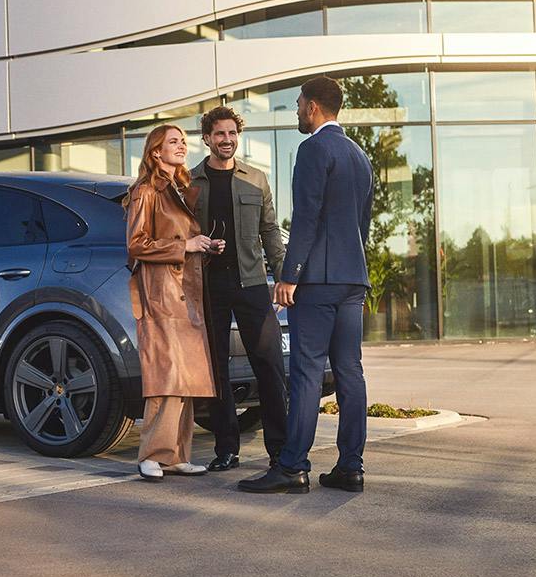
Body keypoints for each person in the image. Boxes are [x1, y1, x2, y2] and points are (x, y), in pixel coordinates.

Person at [237, 76, 373, 495]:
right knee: (350, 371)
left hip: (317, 281)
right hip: (352, 278)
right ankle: (350, 467)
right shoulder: (359, 155)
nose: (297, 111)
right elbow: (362, 224)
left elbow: (307, 216)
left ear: (313, 107)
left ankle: (293, 466)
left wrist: (289, 275)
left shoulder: (313, 149)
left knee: (306, 372)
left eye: (298, 104)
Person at [185, 105, 288, 472]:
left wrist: (283, 276)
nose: (226, 139)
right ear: (207, 138)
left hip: (252, 283)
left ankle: (280, 450)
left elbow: (270, 231)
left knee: (269, 364)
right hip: (209, 285)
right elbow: (180, 232)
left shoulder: (256, 179)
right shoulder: (190, 182)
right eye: (219, 134)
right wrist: (200, 245)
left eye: (231, 133)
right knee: (217, 369)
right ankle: (226, 449)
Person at [125, 125, 219, 481]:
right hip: (161, 292)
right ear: (156, 152)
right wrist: (185, 246)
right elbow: (136, 244)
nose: (181, 146)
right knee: (165, 374)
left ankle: (177, 455)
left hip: (186, 290)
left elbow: (183, 240)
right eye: (173, 142)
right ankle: (151, 454)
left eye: (183, 141)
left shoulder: (179, 188)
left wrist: (203, 245)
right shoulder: (146, 191)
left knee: (186, 377)